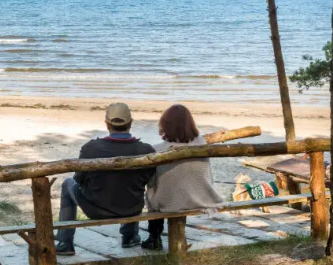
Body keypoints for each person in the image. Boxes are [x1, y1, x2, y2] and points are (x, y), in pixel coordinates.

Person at [55, 103, 156, 256]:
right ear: (131, 123)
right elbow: (148, 178)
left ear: (107, 124)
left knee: (68, 183)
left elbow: (79, 178)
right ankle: (129, 236)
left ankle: (65, 242)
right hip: (131, 209)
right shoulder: (146, 150)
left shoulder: (91, 148)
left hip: (96, 210)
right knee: (131, 187)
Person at [142, 104, 223, 250]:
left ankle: (154, 237)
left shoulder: (157, 149)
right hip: (200, 197)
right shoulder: (201, 144)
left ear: (165, 125)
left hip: (171, 201)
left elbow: (151, 180)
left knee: (154, 191)